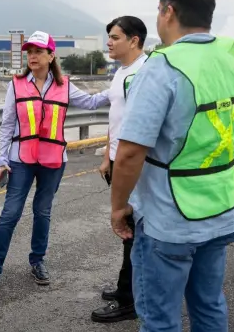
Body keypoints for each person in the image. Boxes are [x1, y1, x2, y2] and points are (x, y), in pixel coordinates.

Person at [110, 0, 234, 332]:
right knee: (208, 306)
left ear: (168, 12)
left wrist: (118, 208)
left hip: (170, 222)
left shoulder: (163, 66)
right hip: (222, 209)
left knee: (160, 319)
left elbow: (129, 153)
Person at [0, 30, 111, 296]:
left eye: (38, 51)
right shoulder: (15, 84)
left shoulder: (65, 85)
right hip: (21, 160)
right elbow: (6, 124)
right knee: (10, 214)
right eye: (30, 52)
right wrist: (1, 159)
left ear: (51, 55)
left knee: (43, 212)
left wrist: (120, 86)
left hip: (53, 160)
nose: (33, 56)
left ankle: (37, 261)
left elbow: (93, 102)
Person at [91, 16, 148, 324]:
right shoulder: (121, 72)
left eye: (114, 37)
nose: (109, 42)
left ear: (134, 40)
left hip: (133, 166)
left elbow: (138, 130)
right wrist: (107, 159)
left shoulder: (144, 72)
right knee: (128, 234)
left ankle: (130, 300)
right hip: (117, 162)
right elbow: (117, 118)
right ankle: (125, 289)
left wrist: (120, 162)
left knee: (132, 233)